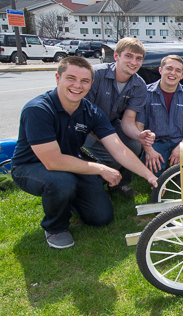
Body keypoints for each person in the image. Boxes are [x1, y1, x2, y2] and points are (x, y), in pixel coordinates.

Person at [11, 57, 158, 250]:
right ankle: (55, 227)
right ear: (58, 78)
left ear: (91, 83)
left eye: (84, 81)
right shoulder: (38, 110)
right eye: (71, 78)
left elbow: (118, 148)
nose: (77, 86)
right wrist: (101, 169)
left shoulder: (91, 111)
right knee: (61, 182)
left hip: (70, 165)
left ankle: (68, 198)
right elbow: (52, 161)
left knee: (101, 217)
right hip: (31, 167)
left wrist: (149, 176)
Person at [84, 37, 154, 197]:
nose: (133, 62)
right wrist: (112, 144)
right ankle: (93, 185)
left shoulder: (139, 85)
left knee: (134, 146)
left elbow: (128, 120)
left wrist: (139, 135)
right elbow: (84, 115)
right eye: (128, 56)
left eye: (138, 58)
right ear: (116, 56)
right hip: (85, 126)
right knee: (113, 156)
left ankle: (120, 185)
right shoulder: (96, 75)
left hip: (110, 122)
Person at [136, 55, 183, 176]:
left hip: (181, 141)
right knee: (154, 172)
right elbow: (138, 126)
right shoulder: (145, 93)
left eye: (178, 70)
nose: (173, 73)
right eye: (169, 68)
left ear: (182, 75)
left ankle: (178, 174)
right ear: (160, 70)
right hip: (156, 142)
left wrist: (181, 148)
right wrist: (149, 150)